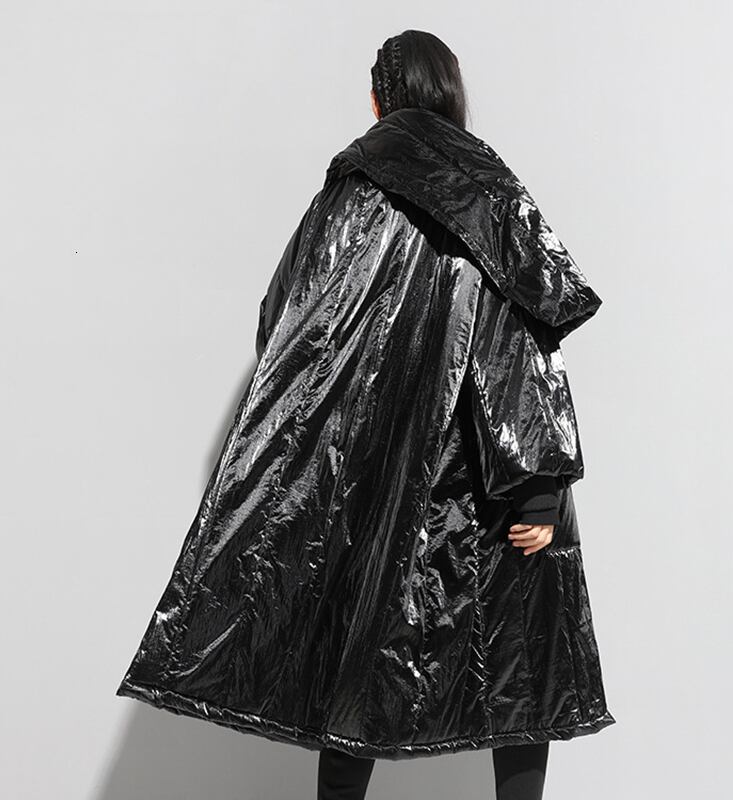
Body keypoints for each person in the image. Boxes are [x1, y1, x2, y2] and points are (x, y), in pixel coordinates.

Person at [116, 29, 615, 800]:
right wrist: (538, 486)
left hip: (373, 473)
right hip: (490, 477)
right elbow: (517, 341)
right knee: (521, 671)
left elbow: (285, 324)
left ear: (379, 101)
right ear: (453, 95)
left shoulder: (347, 193)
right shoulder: (492, 191)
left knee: (354, 668)